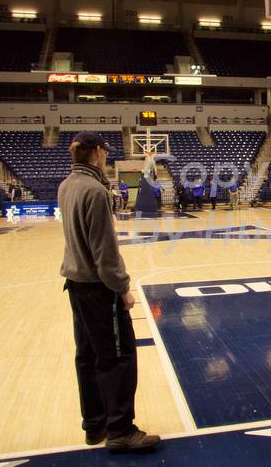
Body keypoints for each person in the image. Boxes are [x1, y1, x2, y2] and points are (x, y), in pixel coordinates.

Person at [58, 131, 160, 451]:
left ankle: (94, 424)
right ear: (99, 153)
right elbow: (105, 252)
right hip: (100, 290)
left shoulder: (66, 186)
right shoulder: (95, 190)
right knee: (118, 358)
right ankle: (120, 430)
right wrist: (122, 288)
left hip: (76, 286)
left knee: (87, 357)